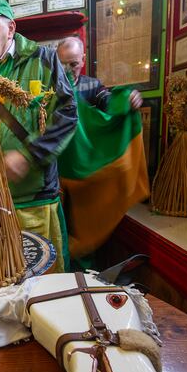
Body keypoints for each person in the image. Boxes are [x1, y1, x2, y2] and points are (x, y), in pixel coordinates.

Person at [0, 0, 77, 273]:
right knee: (1, 279)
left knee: (45, 279)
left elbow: (67, 116)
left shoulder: (43, 60)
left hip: (35, 200)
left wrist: (28, 155)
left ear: (11, 28)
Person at [54, 38, 149, 265]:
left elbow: (110, 104)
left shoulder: (91, 86)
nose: (69, 70)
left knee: (84, 230)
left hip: (85, 177)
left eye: (74, 64)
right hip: (55, 173)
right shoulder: (47, 86)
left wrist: (128, 99)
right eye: (63, 64)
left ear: (83, 60)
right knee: (56, 230)